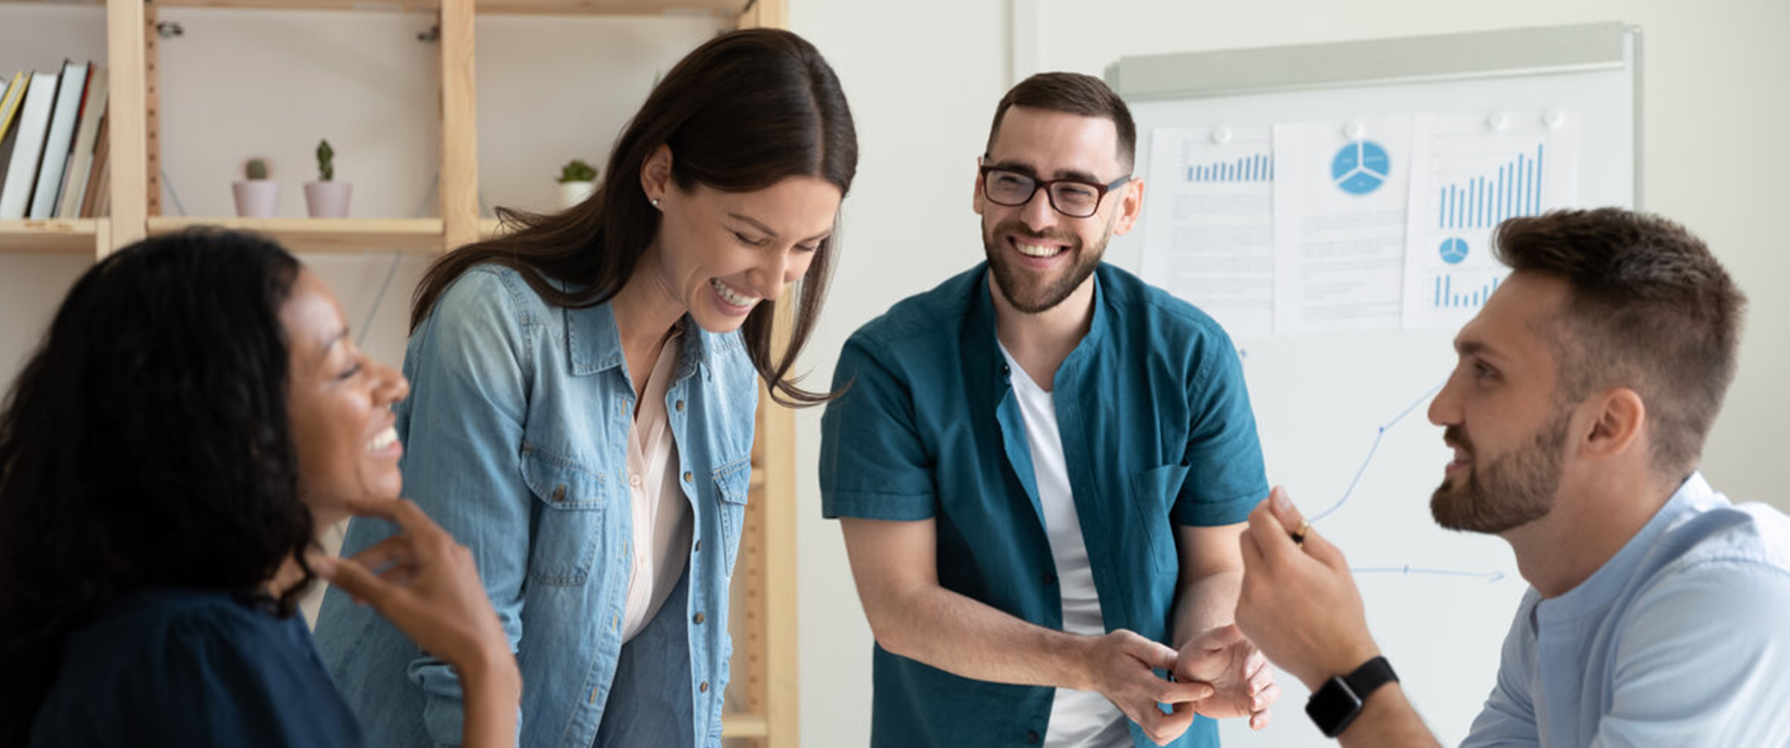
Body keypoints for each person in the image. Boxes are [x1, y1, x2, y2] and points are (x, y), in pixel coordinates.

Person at [313, 27, 857, 748]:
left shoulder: (723, 361)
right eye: (750, 235)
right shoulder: (496, 329)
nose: (773, 280)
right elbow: (466, 660)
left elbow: (688, 665)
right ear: (660, 175)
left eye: (806, 248)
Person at [819, 72, 1277, 748]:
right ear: (979, 185)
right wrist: (1086, 665)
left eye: (1075, 190)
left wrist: (1207, 649)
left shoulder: (1192, 355)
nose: (1038, 215)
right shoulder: (889, 365)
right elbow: (900, 608)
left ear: (1126, 207)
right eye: (1014, 180)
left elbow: (1218, 565)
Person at [1235, 208, 1790, 746]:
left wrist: (1341, 667)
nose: (1442, 409)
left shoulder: (1740, 597)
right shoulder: (1554, 605)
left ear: (1605, 425)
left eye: (1486, 373)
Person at [0, 229, 520, 748]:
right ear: (234, 428)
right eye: (344, 368)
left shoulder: (240, 625)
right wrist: (488, 669)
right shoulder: (196, 660)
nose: (393, 383)